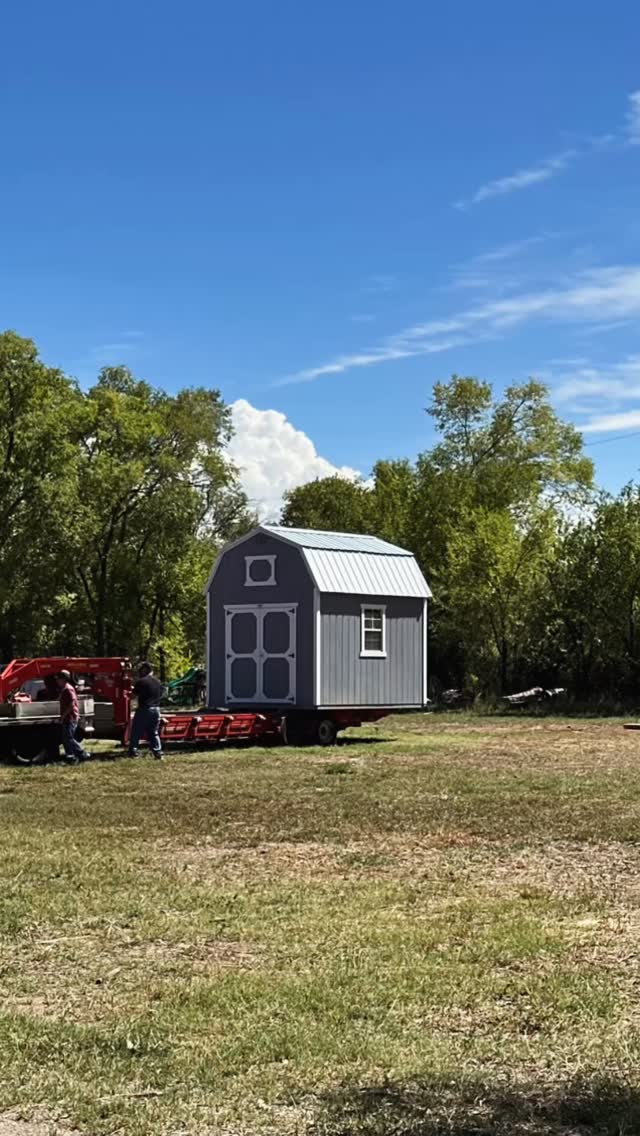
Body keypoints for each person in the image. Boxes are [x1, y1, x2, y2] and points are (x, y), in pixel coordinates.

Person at [128, 662, 164, 759]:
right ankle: (158, 752)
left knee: (136, 731)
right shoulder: (158, 682)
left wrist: (129, 692)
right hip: (156, 710)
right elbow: (161, 694)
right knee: (153, 732)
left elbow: (133, 696)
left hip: (144, 709)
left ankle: (133, 751)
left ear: (144, 670)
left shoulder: (141, 682)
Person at [56, 670, 90, 765]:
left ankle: (82, 753)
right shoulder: (64, 689)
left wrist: (63, 716)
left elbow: (71, 704)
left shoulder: (68, 689)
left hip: (70, 717)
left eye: (59, 679)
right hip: (68, 717)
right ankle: (71, 757)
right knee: (66, 738)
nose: (57, 681)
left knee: (69, 738)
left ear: (64, 679)